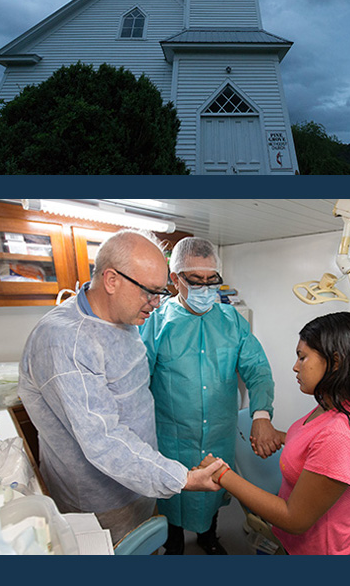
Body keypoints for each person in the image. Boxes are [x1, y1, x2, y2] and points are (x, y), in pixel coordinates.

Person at [18, 229, 224, 544]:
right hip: (98, 499)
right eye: (149, 292)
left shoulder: (123, 319)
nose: (156, 303)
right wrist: (180, 477)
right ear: (112, 280)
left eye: (161, 292)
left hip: (140, 478)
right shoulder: (65, 342)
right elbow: (103, 439)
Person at [197, 312, 350, 555]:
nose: (295, 366)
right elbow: (314, 443)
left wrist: (223, 475)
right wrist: (279, 436)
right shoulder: (333, 406)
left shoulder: (340, 437)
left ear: (335, 362)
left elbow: (294, 519)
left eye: (302, 357)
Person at [139, 236, 283, 555]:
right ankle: (174, 544)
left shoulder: (232, 322)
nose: (206, 288)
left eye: (212, 280)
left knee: (217, 486)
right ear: (175, 280)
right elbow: (136, 383)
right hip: (172, 437)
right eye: (196, 280)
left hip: (218, 432)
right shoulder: (156, 324)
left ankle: (208, 537)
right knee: (174, 492)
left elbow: (257, 369)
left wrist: (261, 415)